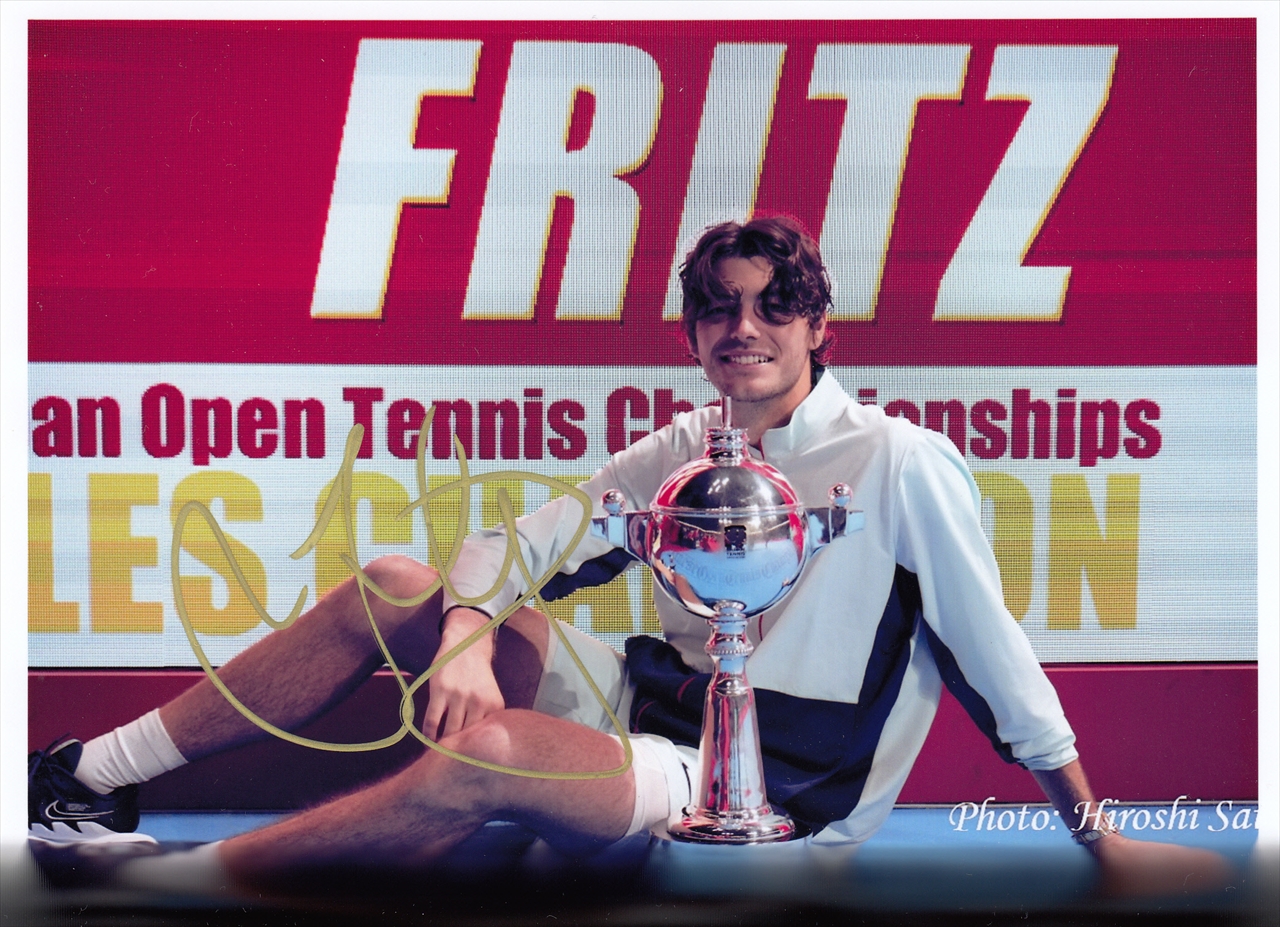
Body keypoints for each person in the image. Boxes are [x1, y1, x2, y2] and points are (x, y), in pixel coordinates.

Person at [29, 217, 1231, 897]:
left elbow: (990, 653)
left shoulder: (896, 462)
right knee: (402, 584)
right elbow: (521, 546)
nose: (741, 328)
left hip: (780, 796)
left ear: (819, 325)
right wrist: (463, 632)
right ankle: (88, 777)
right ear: (691, 330)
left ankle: (162, 885)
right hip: (649, 699)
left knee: (493, 750)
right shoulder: (683, 444)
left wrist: (1097, 838)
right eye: (717, 308)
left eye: (770, 306)